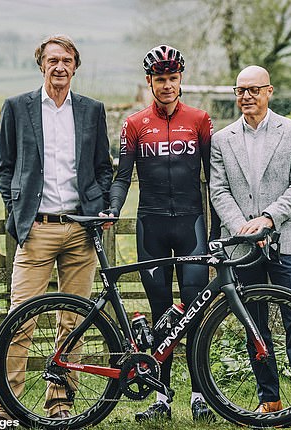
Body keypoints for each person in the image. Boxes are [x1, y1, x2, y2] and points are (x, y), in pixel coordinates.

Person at [0, 34, 113, 428]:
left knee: (72, 320)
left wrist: (101, 207)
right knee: (20, 318)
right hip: (37, 229)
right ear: (41, 64)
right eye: (53, 60)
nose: (60, 67)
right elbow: (4, 167)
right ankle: (4, 407)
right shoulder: (17, 108)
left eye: (67, 61)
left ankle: (60, 400)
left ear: (76, 66)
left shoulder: (92, 111)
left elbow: (103, 167)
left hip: (81, 230)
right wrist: (16, 213)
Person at [209, 65, 291, 423]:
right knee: (253, 323)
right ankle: (269, 398)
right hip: (242, 245)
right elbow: (218, 190)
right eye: (240, 90)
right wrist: (241, 227)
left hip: (285, 240)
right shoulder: (222, 139)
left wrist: (268, 218)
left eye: (254, 90)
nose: (246, 96)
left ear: (269, 91)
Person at [108, 44, 219, 422]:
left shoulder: (200, 120)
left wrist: (217, 229)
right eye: (160, 79)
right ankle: (162, 399)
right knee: (160, 318)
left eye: (172, 78)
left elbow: (212, 179)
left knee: (194, 314)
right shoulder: (134, 124)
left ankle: (200, 395)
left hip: (192, 225)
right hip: (151, 225)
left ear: (180, 79)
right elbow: (123, 177)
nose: (167, 85)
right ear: (149, 82)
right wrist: (111, 208)